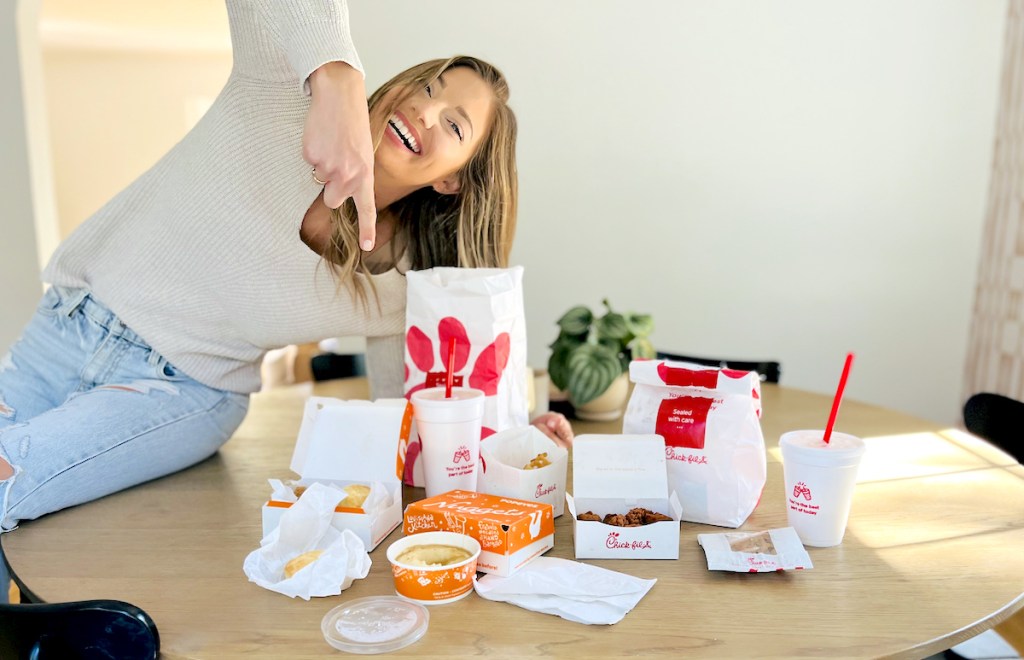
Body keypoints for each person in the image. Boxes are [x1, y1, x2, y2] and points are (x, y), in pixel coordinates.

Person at [0, 0, 571, 536]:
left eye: (454, 125)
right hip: (61, 333)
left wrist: (515, 444)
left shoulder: (404, 286)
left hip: (185, 394)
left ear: (452, 180)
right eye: (428, 87)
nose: (425, 109)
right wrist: (337, 76)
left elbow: (420, 412)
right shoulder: (280, 93)